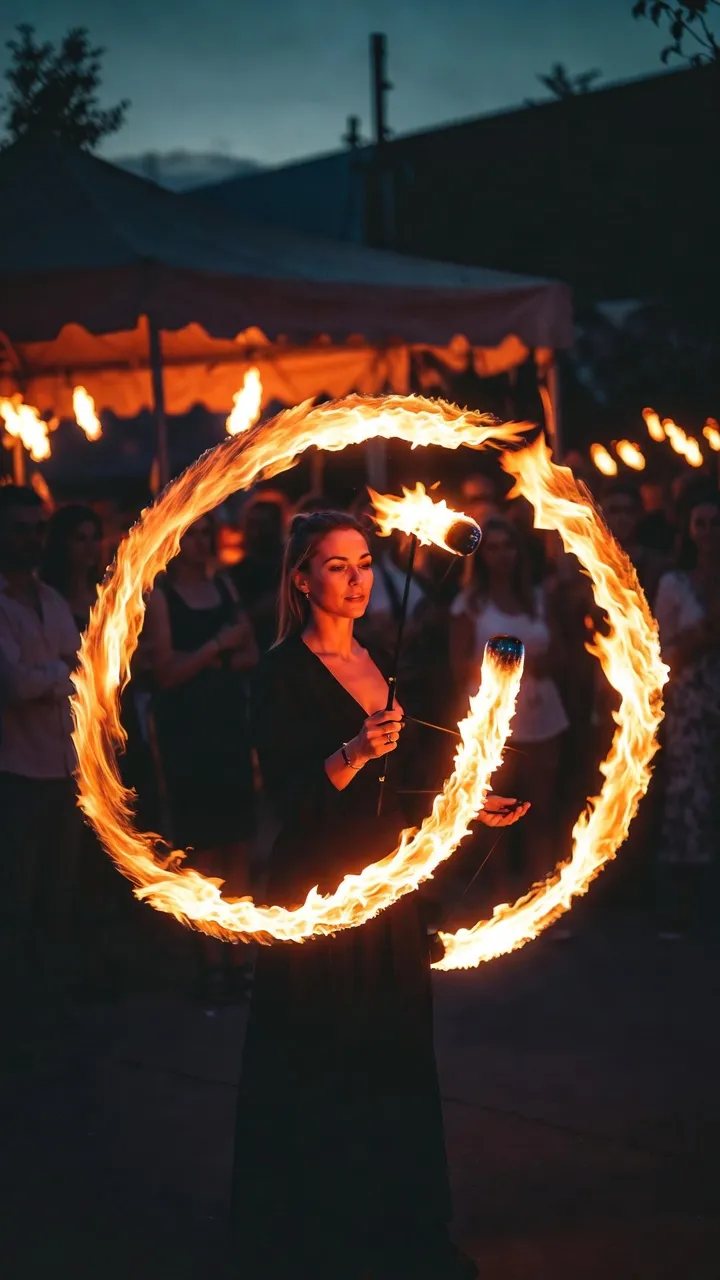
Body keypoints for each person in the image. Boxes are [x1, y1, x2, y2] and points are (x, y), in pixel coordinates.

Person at [231, 510, 528, 1280]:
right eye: (337, 566)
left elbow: (403, 790)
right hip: (321, 887)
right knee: (323, 1056)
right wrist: (353, 750)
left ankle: (400, 1228)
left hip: (388, 885)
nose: (357, 579)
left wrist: (464, 806)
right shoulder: (280, 672)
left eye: (365, 563)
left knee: (392, 1055)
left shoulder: (379, 662)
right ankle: (322, 1236)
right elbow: (292, 795)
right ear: (301, 577)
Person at [145, 514, 258, 1001]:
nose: (200, 542)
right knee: (203, 845)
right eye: (190, 534)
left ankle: (240, 952)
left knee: (238, 842)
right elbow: (166, 671)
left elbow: (251, 652)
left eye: (204, 533)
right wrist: (218, 647)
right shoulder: (161, 596)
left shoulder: (225, 587)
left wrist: (216, 656)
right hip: (187, 733)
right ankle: (211, 958)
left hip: (229, 725)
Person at [450, 516, 568, 896]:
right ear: (482, 556)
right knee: (496, 808)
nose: (502, 555)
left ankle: (540, 893)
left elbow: (562, 651)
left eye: (509, 546)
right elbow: (458, 663)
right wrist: (509, 668)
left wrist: (536, 664)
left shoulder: (536, 598)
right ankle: (501, 896)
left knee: (542, 809)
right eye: (494, 547)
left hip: (542, 711)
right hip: (494, 718)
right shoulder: (470, 603)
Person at [0, 486, 83, 1000]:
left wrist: (56, 675)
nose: (31, 540)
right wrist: (62, 674)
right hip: (17, 775)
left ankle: (49, 1003)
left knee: (59, 896)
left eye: (37, 530)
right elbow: (14, 684)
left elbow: (86, 671)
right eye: (19, 530)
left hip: (65, 772)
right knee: (14, 899)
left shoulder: (51, 599)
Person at [654, 491, 720, 937]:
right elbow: (662, 653)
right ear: (688, 529)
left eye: (717, 523)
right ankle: (682, 908)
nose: (710, 533)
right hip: (691, 705)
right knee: (688, 800)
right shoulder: (675, 583)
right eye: (701, 523)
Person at [230, 495, 286, 652]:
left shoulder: (291, 565)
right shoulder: (237, 571)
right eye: (252, 524)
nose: (257, 532)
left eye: (264, 524)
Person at [40, 503, 104, 631]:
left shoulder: (107, 594)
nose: (90, 547)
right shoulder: (47, 598)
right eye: (80, 539)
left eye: (95, 538)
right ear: (62, 543)